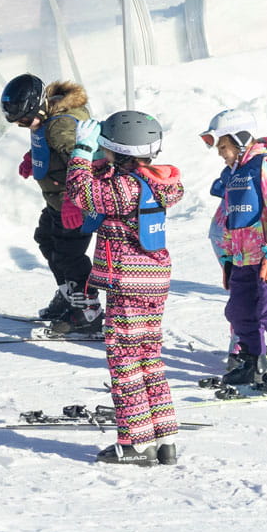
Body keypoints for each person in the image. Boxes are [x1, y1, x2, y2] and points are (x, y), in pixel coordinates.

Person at [65, 109, 188, 467]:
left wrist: (81, 152)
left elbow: (81, 193)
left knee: (124, 362)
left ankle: (136, 442)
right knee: (149, 357)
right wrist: (99, 159)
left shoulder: (125, 187)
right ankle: (163, 438)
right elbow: (105, 179)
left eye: (105, 150)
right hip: (153, 280)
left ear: (116, 151)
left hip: (127, 280)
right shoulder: (152, 181)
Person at [207, 115, 267, 393]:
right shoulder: (238, 171)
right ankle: (250, 362)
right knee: (239, 311)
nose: (220, 154)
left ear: (238, 140)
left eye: (222, 146)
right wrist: (227, 257)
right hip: (241, 259)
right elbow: (227, 217)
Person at [4, 75, 98, 325]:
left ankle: (87, 308)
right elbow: (53, 146)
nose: (24, 126)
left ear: (40, 106)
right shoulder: (48, 119)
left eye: (25, 120)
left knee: (70, 255)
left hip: (73, 206)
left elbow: (84, 161)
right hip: (56, 202)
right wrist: (33, 155)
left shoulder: (60, 126)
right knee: (46, 239)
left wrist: (72, 198)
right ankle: (69, 295)